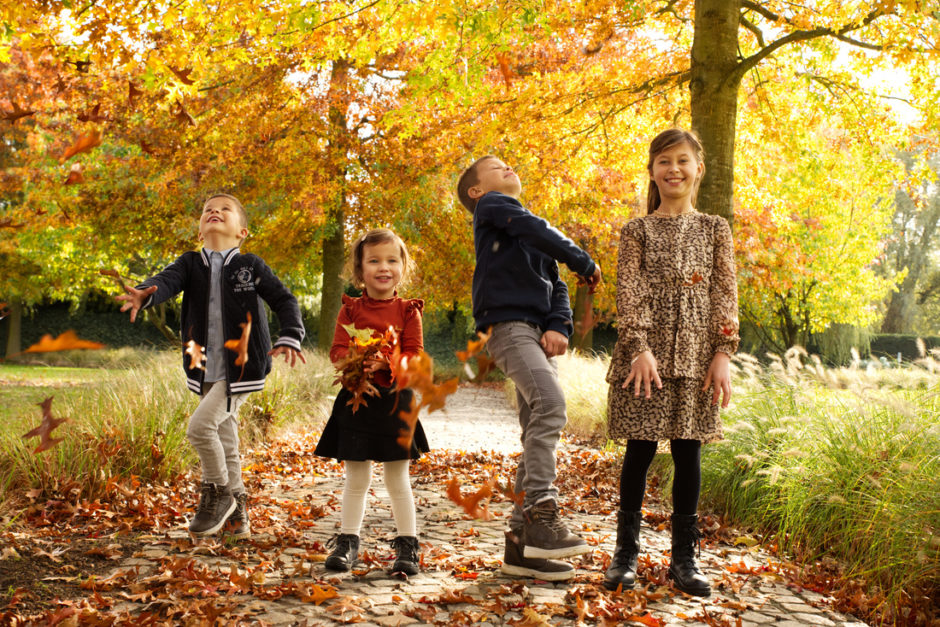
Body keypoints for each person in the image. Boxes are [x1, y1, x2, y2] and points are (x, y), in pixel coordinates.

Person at [117, 193, 306, 539]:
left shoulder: (251, 266)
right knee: (225, 439)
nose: (214, 212)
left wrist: (291, 335)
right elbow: (165, 281)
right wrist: (145, 293)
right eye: (208, 210)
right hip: (203, 366)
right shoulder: (190, 263)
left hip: (244, 368)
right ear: (200, 227)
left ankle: (218, 494)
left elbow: (284, 300)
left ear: (242, 232)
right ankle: (237, 521)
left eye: (225, 209)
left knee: (200, 428)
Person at [604, 128, 739, 596]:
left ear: (698, 168)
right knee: (638, 450)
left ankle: (684, 558)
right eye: (664, 161)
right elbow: (630, 291)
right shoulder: (636, 230)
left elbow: (725, 292)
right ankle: (625, 555)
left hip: (699, 355)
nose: (674, 169)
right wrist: (639, 347)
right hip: (646, 356)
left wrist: (723, 352)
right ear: (653, 171)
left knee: (688, 451)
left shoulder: (715, 228)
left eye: (682, 160)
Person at [456, 156, 602, 582]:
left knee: (536, 421)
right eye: (496, 166)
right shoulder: (494, 210)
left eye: (509, 164)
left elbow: (556, 286)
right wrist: (581, 258)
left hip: (535, 334)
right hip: (508, 328)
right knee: (552, 405)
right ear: (476, 191)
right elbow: (540, 234)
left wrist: (559, 325)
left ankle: (521, 548)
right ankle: (542, 511)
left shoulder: (530, 230)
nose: (508, 167)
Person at [314, 228, 429, 577]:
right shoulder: (350, 310)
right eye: (374, 260)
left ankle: (407, 546)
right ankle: (348, 542)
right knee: (356, 478)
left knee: (397, 480)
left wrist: (388, 363)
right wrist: (356, 358)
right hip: (357, 402)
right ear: (360, 269)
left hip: (396, 403)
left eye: (392, 260)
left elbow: (415, 357)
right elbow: (335, 351)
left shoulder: (409, 311)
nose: (384, 267)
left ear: (402, 267)